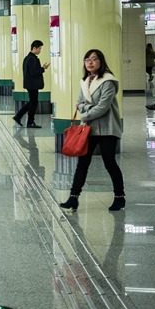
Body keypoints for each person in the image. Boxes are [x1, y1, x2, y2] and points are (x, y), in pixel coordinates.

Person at [59, 49, 125, 212]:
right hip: (89, 128)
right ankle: (73, 198)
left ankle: (119, 197)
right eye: (87, 59)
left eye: (94, 59)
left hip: (107, 128)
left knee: (109, 162)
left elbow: (103, 107)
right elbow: (79, 103)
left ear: (101, 62)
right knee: (82, 163)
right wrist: (87, 108)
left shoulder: (108, 81)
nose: (90, 62)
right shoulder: (85, 81)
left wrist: (85, 112)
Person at [13, 40, 50, 128]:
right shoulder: (31, 59)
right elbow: (34, 72)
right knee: (33, 102)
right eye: (39, 49)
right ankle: (28, 121)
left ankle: (20, 117)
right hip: (32, 84)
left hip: (31, 84)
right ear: (34, 48)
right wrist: (43, 68)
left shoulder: (28, 58)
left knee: (32, 102)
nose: (40, 51)